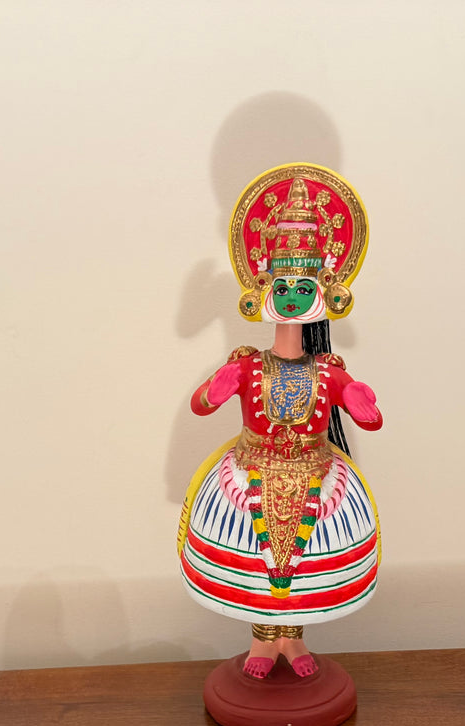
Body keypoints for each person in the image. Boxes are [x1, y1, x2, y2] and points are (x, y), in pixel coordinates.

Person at [179, 166, 381, 679]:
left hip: (318, 474)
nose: (291, 295)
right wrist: (213, 390)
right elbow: (201, 405)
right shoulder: (247, 364)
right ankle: (263, 642)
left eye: (302, 285)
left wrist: (358, 401)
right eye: (283, 284)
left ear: (324, 292)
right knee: (257, 565)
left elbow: (366, 415)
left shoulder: (327, 370)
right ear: (264, 288)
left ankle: (293, 639)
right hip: (247, 474)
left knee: (304, 568)